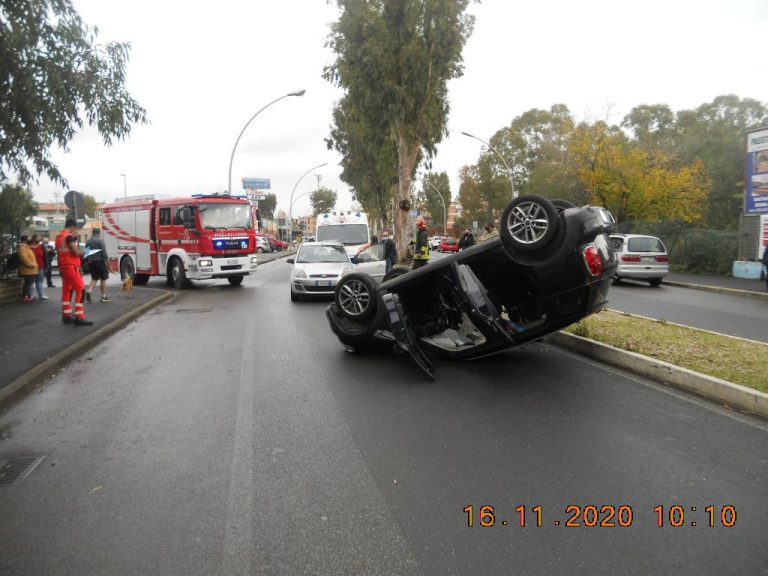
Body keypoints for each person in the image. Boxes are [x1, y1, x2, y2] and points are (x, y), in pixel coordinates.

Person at [56, 218, 92, 325]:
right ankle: (79, 317)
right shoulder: (68, 237)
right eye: (75, 228)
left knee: (67, 291)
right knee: (80, 290)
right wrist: (86, 251)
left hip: (63, 267)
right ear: (72, 226)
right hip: (71, 267)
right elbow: (76, 252)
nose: (74, 230)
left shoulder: (59, 237)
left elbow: (64, 251)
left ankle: (66, 316)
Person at [85, 228, 111, 303]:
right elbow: (104, 254)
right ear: (98, 233)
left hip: (92, 262)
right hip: (100, 262)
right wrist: (109, 265)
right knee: (103, 278)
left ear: (93, 233)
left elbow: (86, 253)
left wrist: (88, 261)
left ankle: (89, 290)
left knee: (94, 278)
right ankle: (103, 296)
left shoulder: (88, 241)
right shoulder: (100, 241)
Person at [17, 236, 38, 302]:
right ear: (24, 240)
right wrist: (32, 265)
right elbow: (24, 259)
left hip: (30, 270)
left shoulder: (27, 248)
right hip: (28, 270)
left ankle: (28, 296)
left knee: (29, 283)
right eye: (28, 238)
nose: (30, 239)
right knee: (28, 283)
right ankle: (25, 297)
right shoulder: (23, 248)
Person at [30, 234, 49, 300]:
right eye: (38, 237)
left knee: (39, 281)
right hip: (31, 267)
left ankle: (41, 295)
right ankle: (31, 295)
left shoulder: (41, 246)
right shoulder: (29, 247)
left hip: (40, 266)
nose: (40, 239)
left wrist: (46, 266)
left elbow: (45, 257)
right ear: (34, 239)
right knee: (31, 281)